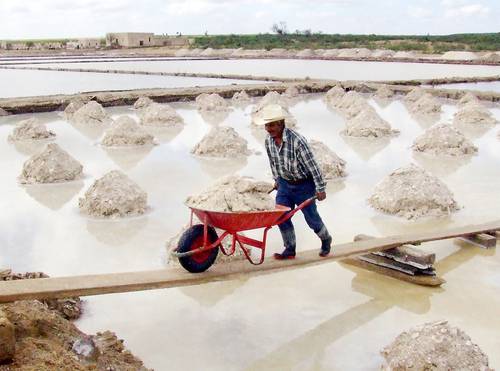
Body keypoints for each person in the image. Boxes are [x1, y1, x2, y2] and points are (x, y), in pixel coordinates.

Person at [256, 104, 333, 259]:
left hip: (304, 185)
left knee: (311, 219)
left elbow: (313, 167)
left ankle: (325, 238)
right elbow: (273, 162)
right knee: (280, 216)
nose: (268, 129)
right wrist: (277, 179)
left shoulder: (298, 141)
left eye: (271, 125)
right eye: (266, 125)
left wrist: (320, 188)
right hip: (284, 184)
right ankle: (290, 249)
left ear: (280, 124)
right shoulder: (268, 141)